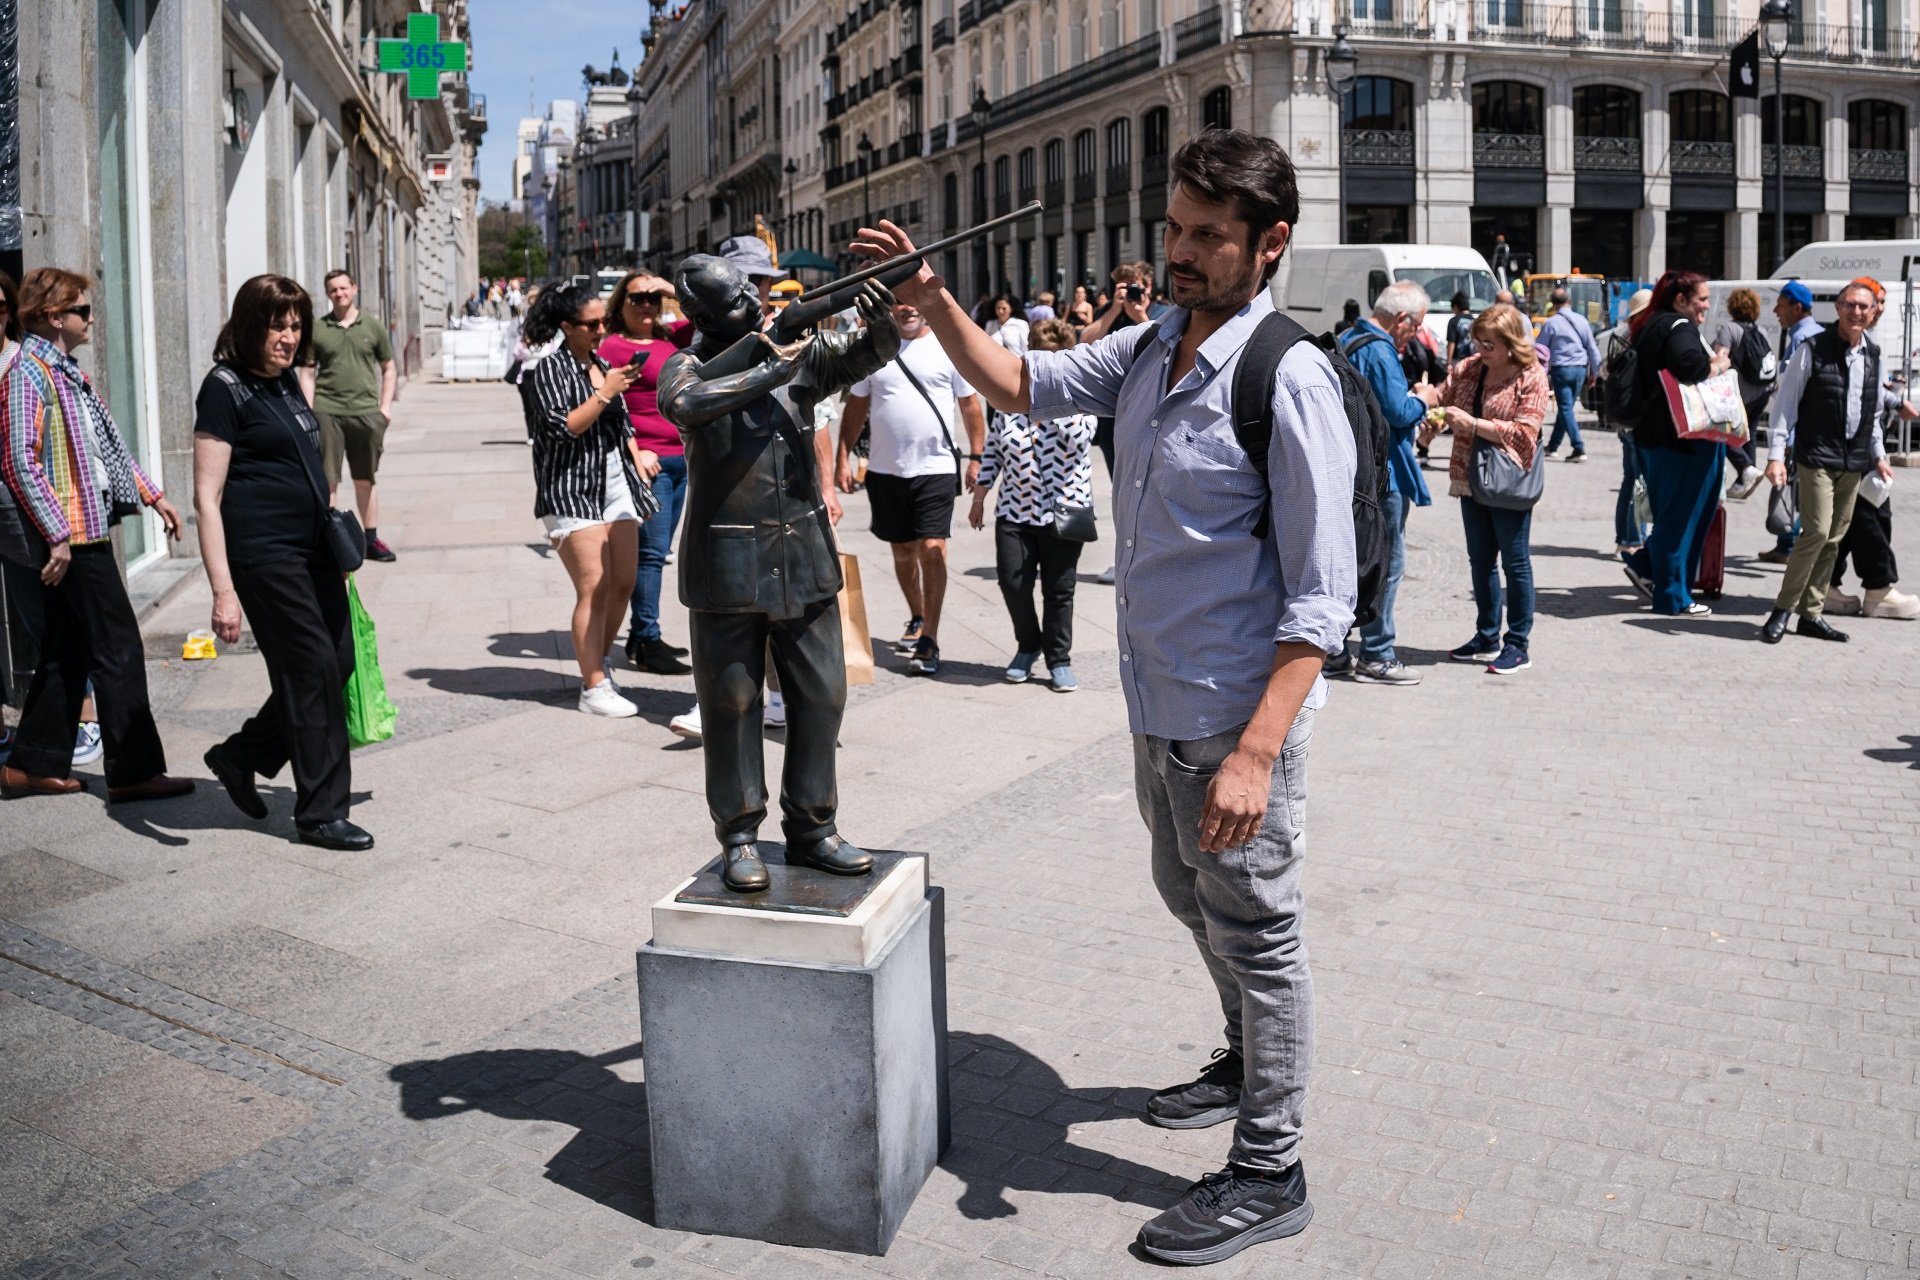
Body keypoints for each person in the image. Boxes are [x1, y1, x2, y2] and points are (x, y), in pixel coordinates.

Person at [853, 125, 1356, 1267]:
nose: (1179, 252)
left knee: (1261, 932)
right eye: (1172, 229)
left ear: (1269, 244)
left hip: (1235, 718)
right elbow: (1020, 382)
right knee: (1188, 894)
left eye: (1206, 238)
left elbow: (1325, 600)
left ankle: (1271, 1165)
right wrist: (929, 294)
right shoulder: (1147, 348)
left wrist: (1258, 752)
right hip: (1159, 705)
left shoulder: (1289, 376)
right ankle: (1241, 1059)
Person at [657, 257, 900, 892]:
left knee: (822, 695)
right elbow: (686, 404)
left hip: (803, 559)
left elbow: (861, 357)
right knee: (731, 703)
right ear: (705, 317)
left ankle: (814, 827)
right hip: (727, 566)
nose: (756, 298)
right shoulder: (684, 365)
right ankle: (739, 834)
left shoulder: (799, 353)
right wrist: (768, 368)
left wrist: (880, 325)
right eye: (740, 297)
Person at [192, 274, 372, 848]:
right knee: (312, 668)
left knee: (337, 662)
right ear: (250, 324)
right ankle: (321, 813)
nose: (289, 337)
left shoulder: (287, 382)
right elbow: (206, 496)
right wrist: (223, 590)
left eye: (296, 326)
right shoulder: (224, 387)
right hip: (265, 556)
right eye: (278, 325)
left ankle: (239, 755)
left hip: (315, 549)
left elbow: (308, 463)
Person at [0, 268, 192, 802]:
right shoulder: (28, 373)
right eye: (82, 310)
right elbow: (18, 460)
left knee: (69, 649)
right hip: (73, 538)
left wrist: (154, 495)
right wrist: (57, 536)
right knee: (119, 647)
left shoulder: (65, 372)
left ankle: (31, 765)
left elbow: (103, 453)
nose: (91, 318)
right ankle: (133, 770)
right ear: (53, 317)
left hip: (83, 528)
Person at [520, 281, 659, 715]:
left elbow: (622, 425)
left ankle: (598, 662)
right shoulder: (548, 369)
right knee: (593, 587)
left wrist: (638, 456)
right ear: (567, 326)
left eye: (604, 321)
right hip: (572, 489)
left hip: (616, 484)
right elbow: (564, 427)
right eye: (592, 324)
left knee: (622, 583)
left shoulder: (600, 363)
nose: (601, 329)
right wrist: (606, 392)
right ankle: (592, 686)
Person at [1758, 280, 1918, 644]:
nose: (1857, 312)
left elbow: (1872, 411)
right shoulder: (1812, 349)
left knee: (1834, 537)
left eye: (1864, 307)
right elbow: (1785, 405)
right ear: (1838, 309)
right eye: (1850, 305)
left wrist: (1878, 455)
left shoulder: (1873, 355)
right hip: (1816, 456)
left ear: (1874, 312)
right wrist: (1774, 455)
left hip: (1854, 461)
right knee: (1815, 532)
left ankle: (1811, 614)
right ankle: (1784, 608)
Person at [834, 297, 985, 677]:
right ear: (889, 308)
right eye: (899, 302)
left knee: (932, 548)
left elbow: (970, 406)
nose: (907, 308)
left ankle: (929, 638)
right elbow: (856, 407)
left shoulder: (945, 348)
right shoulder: (876, 346)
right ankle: (917, 614)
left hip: (935, 468)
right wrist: (841, 457)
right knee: (902, 553)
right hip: (886, 470)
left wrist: (977, 458)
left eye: (912, 300)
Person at [968, 318, 1096, 693]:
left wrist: (1050, 400)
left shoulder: (1082, 398)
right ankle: (1028, 645)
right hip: (1015, 509)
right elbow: (994, 447)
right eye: (1041, 358)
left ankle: (1059, 659)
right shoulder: (1010, 400)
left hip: (1065, 509)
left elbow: (1081, 437)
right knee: (1012, 581)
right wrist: (980, 493)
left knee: (1059, 589)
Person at [1420, 302, 1549, 673]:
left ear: (1510, 343)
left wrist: (1473, 424)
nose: (1481, 351)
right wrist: (1428, 411)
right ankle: (1487, 635)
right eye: (1478, 342)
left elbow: (1526, 433)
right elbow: (1441, 399)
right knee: (1480, 561)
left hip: (1510, 482)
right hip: (1470, 477)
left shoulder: (1531, 376)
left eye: (1489, 344)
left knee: (1515, 562)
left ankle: (1518, 643)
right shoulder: (1469, 369)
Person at [1337, 280, 1435, 684]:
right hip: (1383, 472)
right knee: (1388, 563)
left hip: (1350, 469)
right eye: (1417, 327)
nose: (1417, 335)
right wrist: (1425, 398)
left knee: (1345, 563)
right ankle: (1376, 654)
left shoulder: (1348, 336)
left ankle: (1335, 651)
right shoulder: (1379, 350)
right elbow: (1398, 411)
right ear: (1401, 320)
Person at [1621, 271, 1729, 617]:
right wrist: (1718, 364)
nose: (1707, 307)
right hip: (1683, 440)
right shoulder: (1678, 327)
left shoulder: (1652, 324)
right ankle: (1671, 596)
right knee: (1680, 519)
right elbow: (1689, 368)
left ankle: (1656, 576)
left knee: (1673, 517)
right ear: (1680, 299)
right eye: (1702, 299)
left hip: (1655, 437)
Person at [598, 271, 689, 677]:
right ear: (621, 304)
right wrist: (635, 452)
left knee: (659, 552)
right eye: (637, 298)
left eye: (653, 298)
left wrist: (671, 288)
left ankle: (640, 633)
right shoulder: (614, 348)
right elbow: (608, 408)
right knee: (650, 556)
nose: (647, 305)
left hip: (682, 459)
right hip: (648, 462)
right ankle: (647, 638)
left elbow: (712, 321)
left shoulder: (672, 339)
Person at [299, 270, 398, 562]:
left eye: (343, 287)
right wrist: (310, 411)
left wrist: (385, 408)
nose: (339, 293)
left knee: (365, 478)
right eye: (333, 289)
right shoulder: (318, 329)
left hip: (366, 412)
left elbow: (389, 367)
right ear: (328, 294)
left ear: (354, 288)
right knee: (328, 480)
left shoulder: (373, 326)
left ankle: (370, 540)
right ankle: (332, 540)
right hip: (328, 411)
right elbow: (307, 372)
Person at [1758, 280, 1826, 564]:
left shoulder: (1802, 339)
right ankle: (1787, 544)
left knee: (1795, 492)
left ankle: (1792, 545)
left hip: (1799, 434)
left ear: (1798, 308)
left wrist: (1785, 440)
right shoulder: (1815, 334)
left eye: (1781, 305)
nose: (1775, 310)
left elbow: (1793, 394)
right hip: (1809, 433)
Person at [1600, 288, 1653, 554]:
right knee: (1638, 480)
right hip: (1638, 420)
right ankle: (1633, 539)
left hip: (1623, 418)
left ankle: (1624, 538)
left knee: (1629, 478)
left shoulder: (1619, 337)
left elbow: (1604, 371)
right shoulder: (1641, 339)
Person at [1712, 288, 1772, 499]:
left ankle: (1746, 468)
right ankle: (1744, 480)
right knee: (1749, 435)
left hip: (1741, 394)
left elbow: (1721, 356)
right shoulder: (1761, 330)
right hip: (1762, 392)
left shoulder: (1729, 329)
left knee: (1719, 432)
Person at [1539, 286, 1600, 462]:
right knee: (1567, 409)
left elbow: (1540, 350)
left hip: (1561, 370)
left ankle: (1578, 448)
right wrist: (1595, 372)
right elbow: (1592, 349)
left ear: (1553, 303)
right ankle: (1553, 446)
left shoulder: (1551, 323)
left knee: (1565, 409)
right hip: (1580, 369)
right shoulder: (1582, 321)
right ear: (1569, 301)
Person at [1444, 290, 1476, 366]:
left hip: (1457, 361)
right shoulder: (1475, 321)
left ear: (1455, 306)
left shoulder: (1453, 321)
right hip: (1472, 360)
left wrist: (1449, 362)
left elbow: (1451, 342)